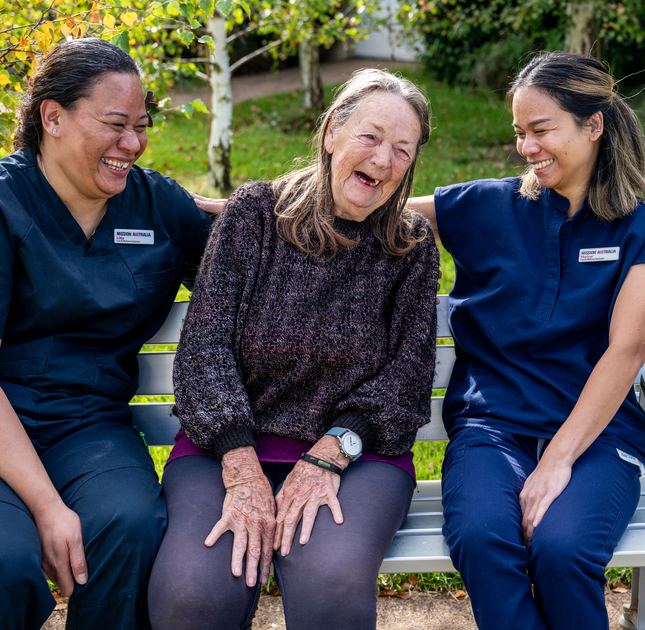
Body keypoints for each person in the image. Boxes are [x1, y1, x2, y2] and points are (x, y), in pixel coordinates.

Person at [0, 39, 213, 629]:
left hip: (85, 424)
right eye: (115, 124)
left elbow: (254, 256)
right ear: (52, 117)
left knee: (132, 530)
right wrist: (47, 505)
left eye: (141, 126)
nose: (132, 144)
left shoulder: (156, 205)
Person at [147, 68, 440, 630]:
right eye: (371, 137)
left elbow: (406, 376)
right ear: (332, 130)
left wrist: (329, 454)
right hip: (226, 446)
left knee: (331, 586)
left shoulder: (410, 245)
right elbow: (205, 346)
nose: (383, 161)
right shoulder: (255, 215)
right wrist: (241, 467)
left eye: (402, 150)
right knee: (190, 597)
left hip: (357, 456)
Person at [407, 52, 645, 629]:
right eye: (519, 133)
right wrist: (246, 209)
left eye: (540, 130)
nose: (526, 148)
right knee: (483, 541)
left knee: (563, 551)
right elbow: (368, 205)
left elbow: (626, 351)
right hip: (493, 430)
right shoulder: (488, 206)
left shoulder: (641, 229)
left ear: (593, 125)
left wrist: (557, 461)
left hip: (598, 438)